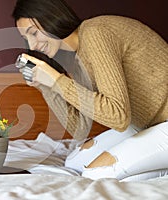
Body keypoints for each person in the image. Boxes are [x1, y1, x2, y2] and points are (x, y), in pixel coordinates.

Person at [12, 0, 168, 181]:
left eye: (33, 33)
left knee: (97, 173)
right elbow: (79, 129)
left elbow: (118, 116)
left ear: (51, 18)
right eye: (26, 39)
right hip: (148, 124)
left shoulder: (95, 33)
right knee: (74, 162)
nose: (32, 46)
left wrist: (56, 81)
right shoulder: (77, 57)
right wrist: (46, 86)